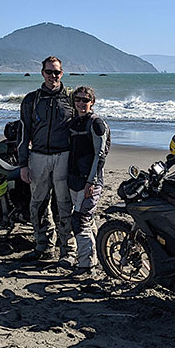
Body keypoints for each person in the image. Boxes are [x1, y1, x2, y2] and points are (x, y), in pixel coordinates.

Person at [18, 56, 77, 266]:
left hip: (64, 157)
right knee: (38, 205)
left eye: (57, 72)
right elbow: (24, 134)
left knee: (63, 206)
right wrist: (23, 164)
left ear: (62, 73)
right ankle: (43, 247)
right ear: (42, 73)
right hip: (38, 157)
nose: (53, 76)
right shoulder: (31, 100)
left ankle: (67, 252)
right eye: (49, 72)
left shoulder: (72, 98)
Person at [67, 86, 110, 275]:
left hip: (89, 182)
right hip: (74, 179)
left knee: (80, 221)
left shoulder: (96, 124)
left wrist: (91, 182)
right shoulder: (74, 121)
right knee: (87, 221)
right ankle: (99, 256)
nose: (81, 103)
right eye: (78, 99)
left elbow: (100, 156)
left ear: (92, 102)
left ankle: (86, 265)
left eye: (85, 100)